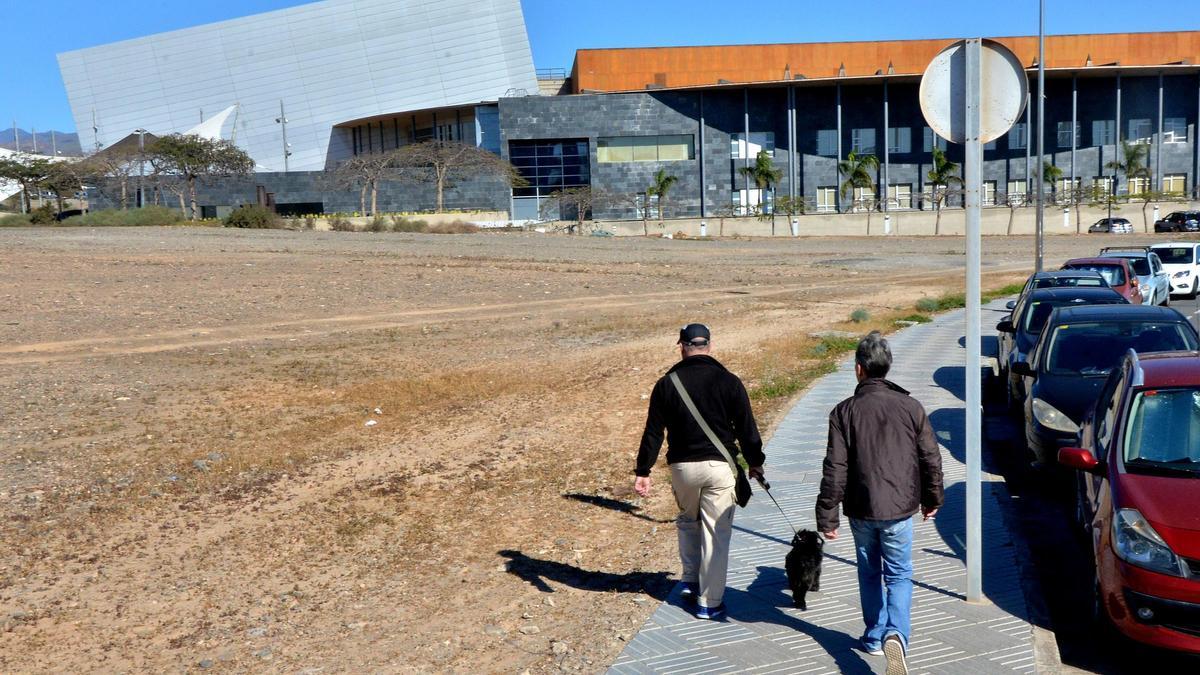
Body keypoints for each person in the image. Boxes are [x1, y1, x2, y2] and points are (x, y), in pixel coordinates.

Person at [816, 331, 943, 674]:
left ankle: (874, 636)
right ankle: (897, 636)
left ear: (859, 369)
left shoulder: (843, 412)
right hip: (900, 509)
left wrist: (827, 516)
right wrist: (932, 499)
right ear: (886, 368)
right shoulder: (911, 407)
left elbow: (835, 468)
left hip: (861, 509)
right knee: (899, 574)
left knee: (870, 573)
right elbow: (930, 458)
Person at [634, 323, 764, 620]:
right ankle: (709, 602)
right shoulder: (729, 381)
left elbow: (653, 432)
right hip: (719, 468)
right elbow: (747, 429)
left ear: (682, 345)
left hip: (682, 469)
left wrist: (644, 470)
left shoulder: (667, 384)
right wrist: (755, 462)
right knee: (715, 535)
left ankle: (690, 580)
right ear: (710, 345)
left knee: (687, 521)